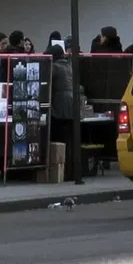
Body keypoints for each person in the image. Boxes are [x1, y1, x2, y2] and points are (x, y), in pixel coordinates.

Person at [48, 42, 80, 180]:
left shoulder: (55, 67)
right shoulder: (68, 66)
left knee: (60, 139)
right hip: (72, 105)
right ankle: (72, 172)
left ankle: (63, 172)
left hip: (60, 106)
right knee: (70, 140)